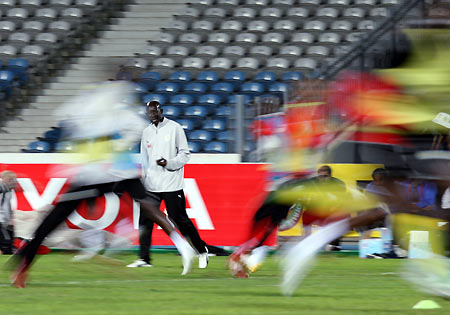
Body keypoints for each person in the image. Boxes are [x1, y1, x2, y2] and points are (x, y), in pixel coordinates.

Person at [8, 82, 196, 288]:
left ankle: (25, 258)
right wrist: (120, 143)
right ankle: (176, 243)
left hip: (96, 172)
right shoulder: (113, 109)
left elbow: (69, 122)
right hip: (100, 172)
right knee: (144, 203)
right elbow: (134, 126)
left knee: (55, 219)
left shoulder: (91, 108)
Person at [127, 101, 209, 269]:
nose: (152, 115)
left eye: (155, 111)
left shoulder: (175, 128)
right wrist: (144, 178)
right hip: (151, 185)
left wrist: (168, 163)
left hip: (172, 184)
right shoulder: (147, 132)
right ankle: (144, 259)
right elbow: (144, 159)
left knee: (180, 220)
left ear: (161, 111)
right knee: (145, 221)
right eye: (149, 112)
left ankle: (202, 250)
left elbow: (185, 154)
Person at [0, 171, 18, 255]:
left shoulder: (9, 191)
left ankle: (7, 250)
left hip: (5, 219)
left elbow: (7, 206)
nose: (13, 181)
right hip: (1, 219)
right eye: (10, 179)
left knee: (9, 240)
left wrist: (10, 218)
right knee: (5, 242)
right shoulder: (2, 187)